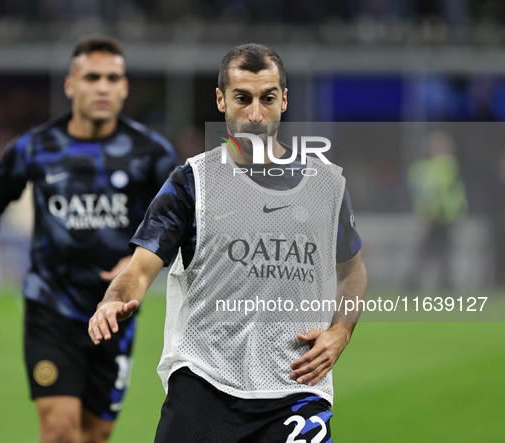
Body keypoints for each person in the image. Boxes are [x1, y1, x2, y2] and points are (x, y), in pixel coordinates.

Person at [89, 43, 367, 442]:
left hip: (297, 388)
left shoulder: (325, 187)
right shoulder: (191, 184)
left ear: (284, 100)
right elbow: (139, 268)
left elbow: (353, 271)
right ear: (221, 100)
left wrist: (340, 332)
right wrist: (113, 300)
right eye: (243, 98)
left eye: (267, 98)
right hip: (205, 383)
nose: (255, 114)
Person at [0, 36, 177, 443]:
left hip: (116, 311)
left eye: (112, 78)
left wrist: (136, 261)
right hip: (51, 305)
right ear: (70, 85)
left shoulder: (153, 154)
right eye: (91, 77)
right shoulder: (35, 147)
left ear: (124, 87)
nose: (102, 87)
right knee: (60, 429)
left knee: (95, 434)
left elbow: (182, 225)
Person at [406, 130, 468, 292]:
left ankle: (430, 284)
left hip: (446, 217)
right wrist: (427, 213)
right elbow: (432, 193)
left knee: (437, 253)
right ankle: (417, 284)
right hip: (437, 217)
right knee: (431, 253)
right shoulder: (440, 167)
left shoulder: (430, 167)